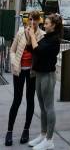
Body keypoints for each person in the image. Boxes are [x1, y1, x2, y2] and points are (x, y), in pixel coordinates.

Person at [5, 10, 45, 147]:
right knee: (16, 100)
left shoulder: (41, 35)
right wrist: (14, 62)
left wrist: (33, 35)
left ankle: (26, 130)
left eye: (35, 19)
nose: (33, 22)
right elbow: (12, 50)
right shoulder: (21, 32)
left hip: (32, 73)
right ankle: (9, 131)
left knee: (30, 100)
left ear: (39, 21)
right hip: (19, 70)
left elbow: (40, 53)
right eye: (30, 19)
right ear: (27, 20)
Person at [27, 14, 62, 150]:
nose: (44, 25)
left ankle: (49, 139)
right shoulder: (46, 37)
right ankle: (43, 134)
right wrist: (29, 35)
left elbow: (39, 50)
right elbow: (32, 49)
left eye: (47, 23)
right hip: (39, 74)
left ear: (53, 25)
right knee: (42, 107)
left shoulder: (54, 40)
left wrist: (33, 36)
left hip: (48, 75)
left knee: (49, 107)